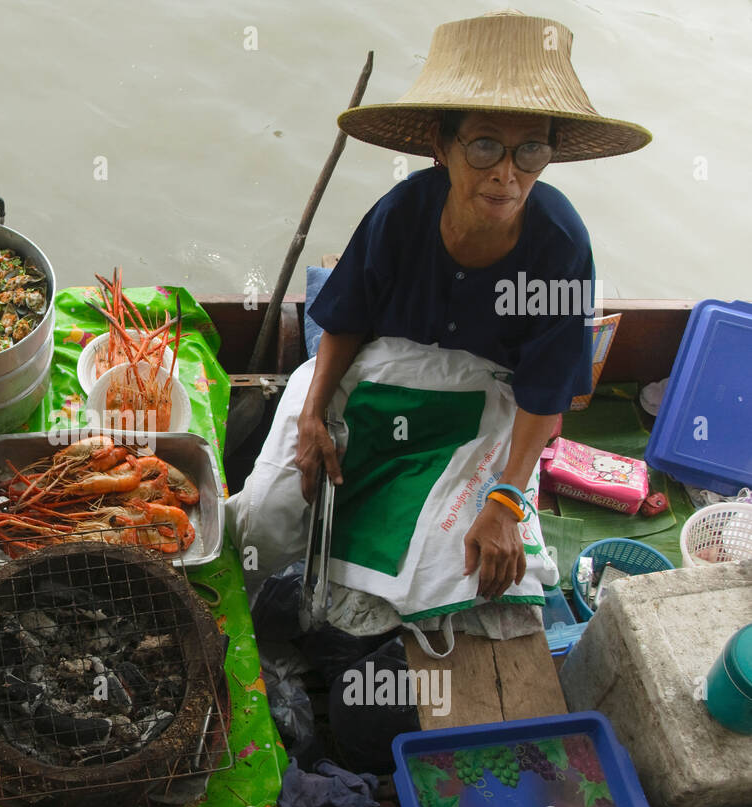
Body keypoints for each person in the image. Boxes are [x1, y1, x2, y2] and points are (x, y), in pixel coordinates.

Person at [228, 11, 651, 653]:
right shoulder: (403, 213)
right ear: (441, 146)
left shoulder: (560, 244)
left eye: (530, 149)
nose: (507, 174)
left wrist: (507, 500)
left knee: (470, 567)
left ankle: (351, 634)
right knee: (267, 516)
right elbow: (346, 322)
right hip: (372, 377)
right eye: (484, 145)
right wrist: (314, 415)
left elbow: (544, 395)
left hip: (483, 408)